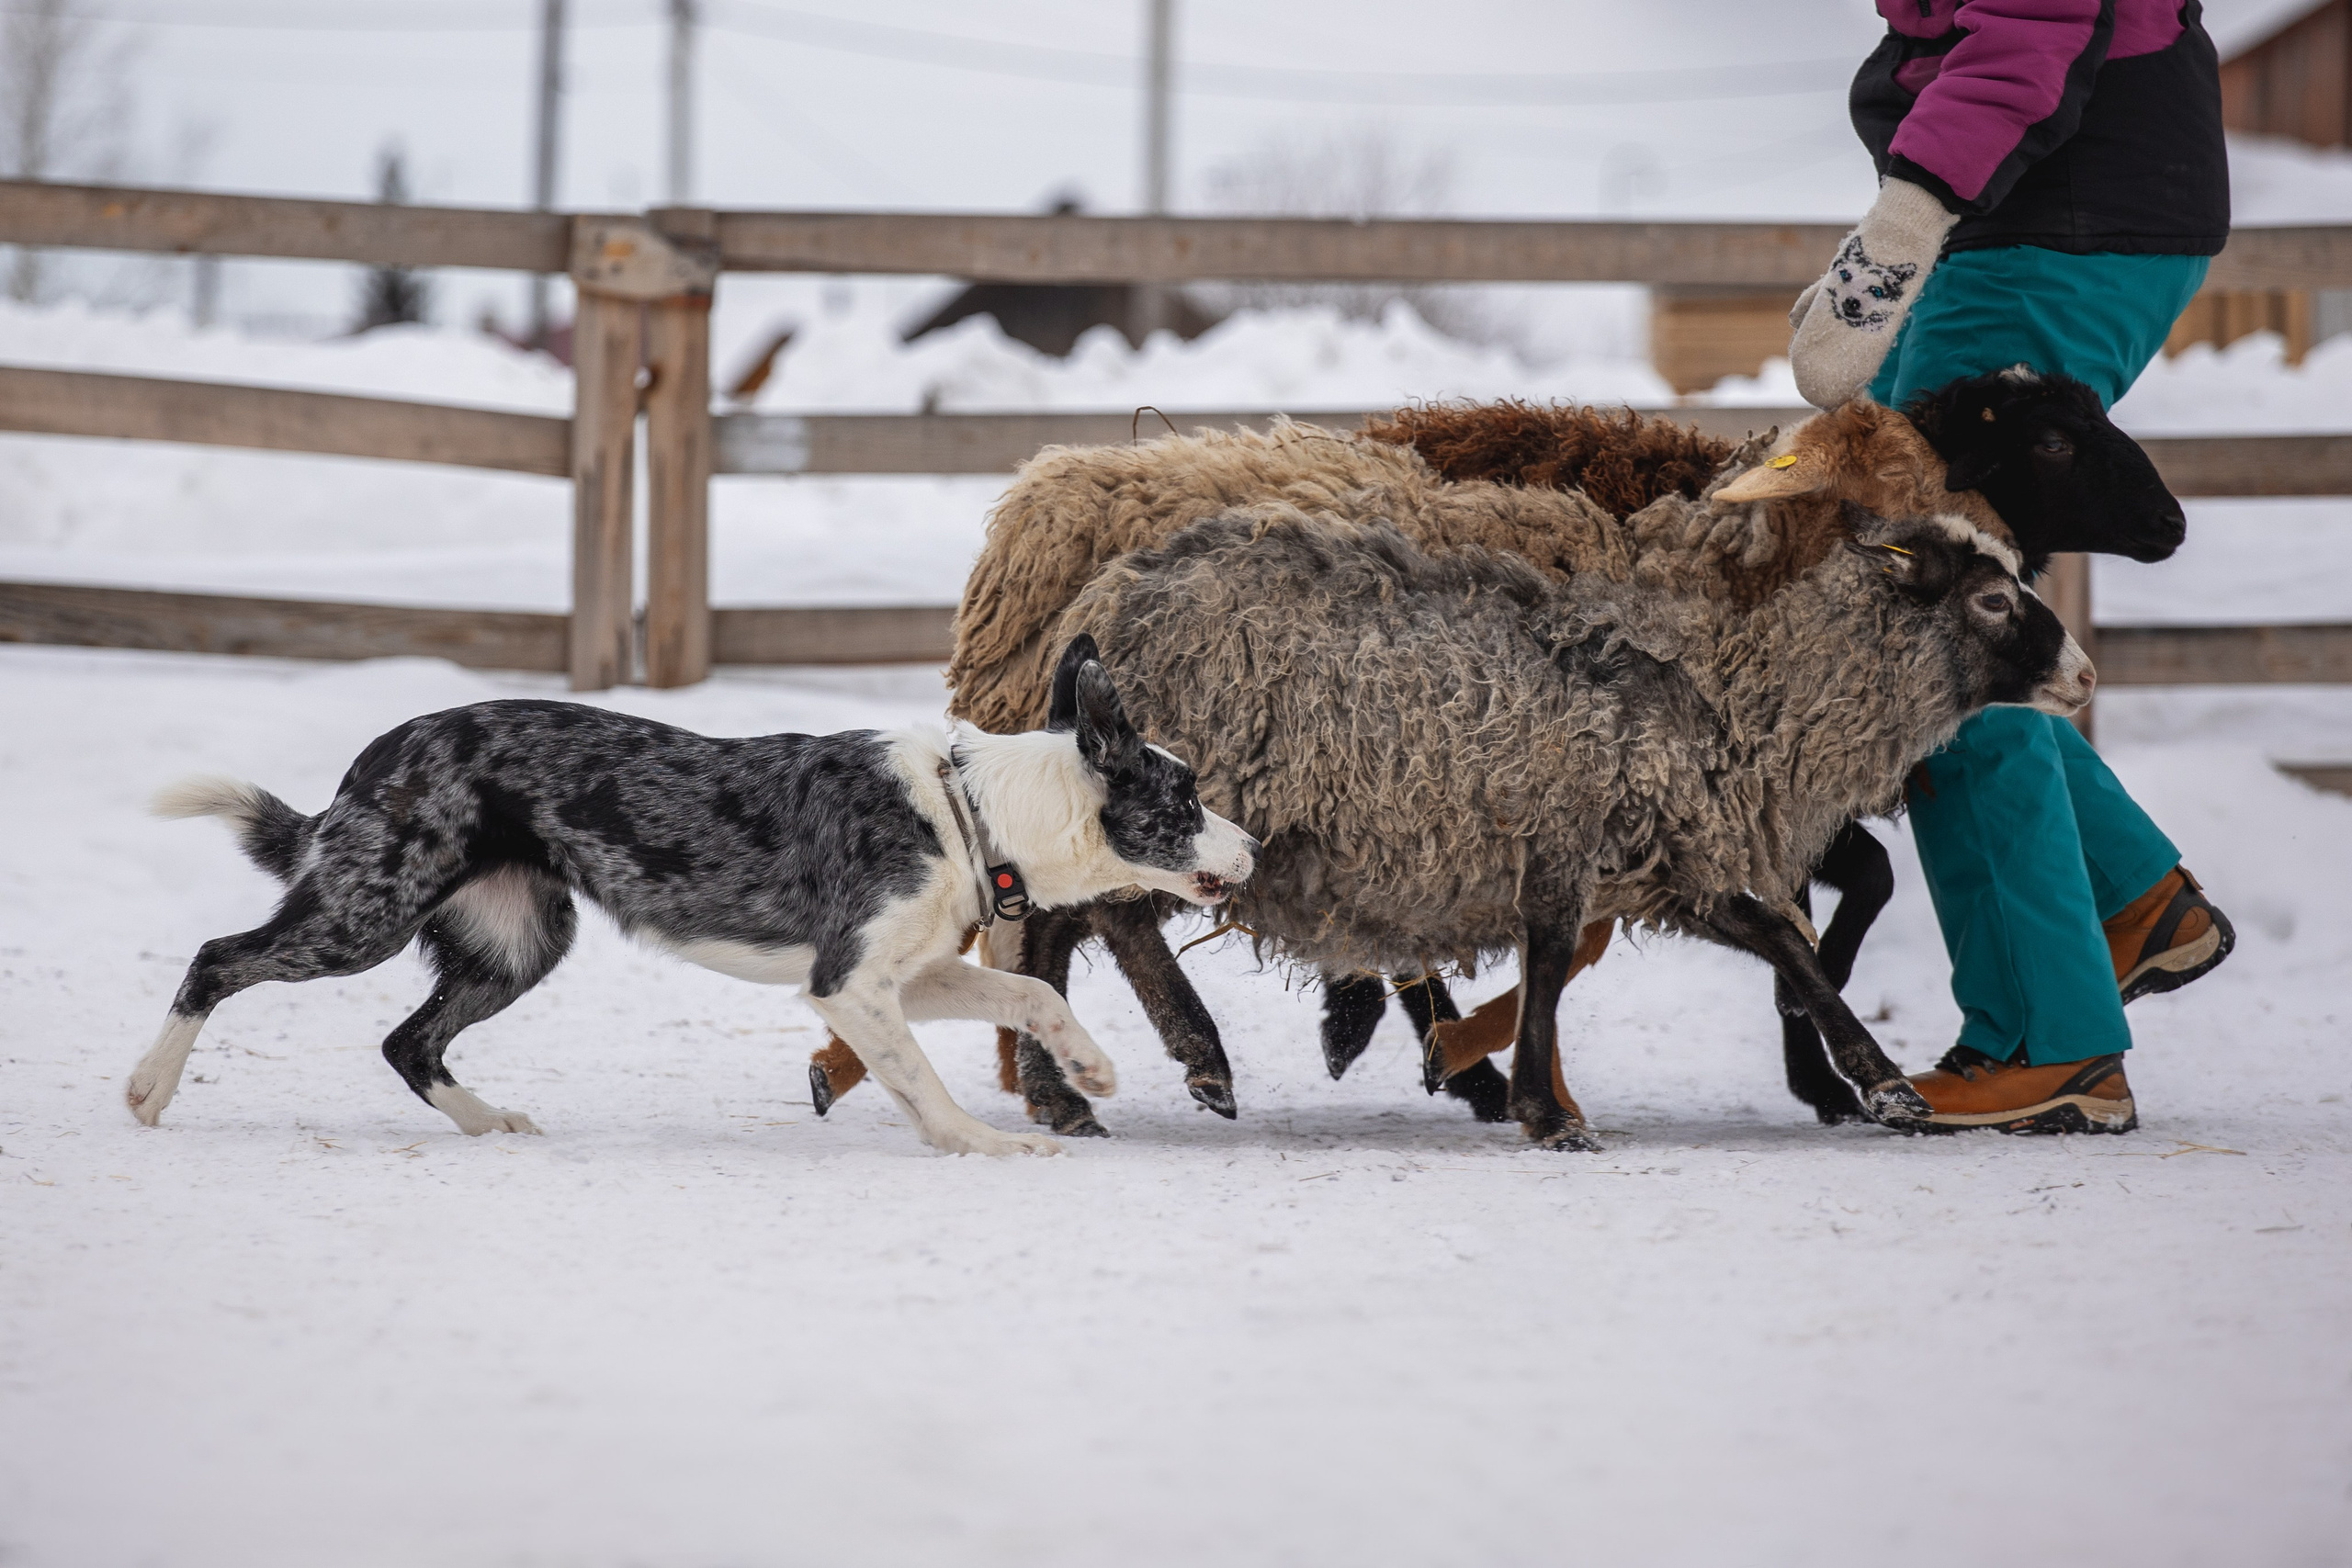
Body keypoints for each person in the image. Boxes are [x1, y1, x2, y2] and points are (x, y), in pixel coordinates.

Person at [1789, 0, 2235, 1133]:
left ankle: (2052, 1042)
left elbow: (2031, 22)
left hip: (2059, 222)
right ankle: (2130, 898)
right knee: (1892, 584)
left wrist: (1901, 221)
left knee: (1936, 631)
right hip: (2046, 214)